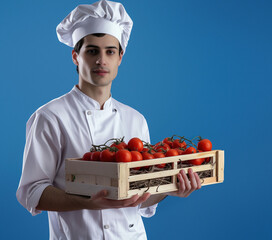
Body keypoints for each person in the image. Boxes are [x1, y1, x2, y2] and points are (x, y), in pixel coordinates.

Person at [16, 1, 201, 239]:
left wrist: (171, 189)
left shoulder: (136, 119)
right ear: (76, 56)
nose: (101, 60)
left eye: (110, 51)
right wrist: (86, 202)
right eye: (92, 51)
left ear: (120, 57)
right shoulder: (49, 117)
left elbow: (141, 198)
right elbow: (32, 192)